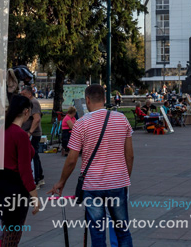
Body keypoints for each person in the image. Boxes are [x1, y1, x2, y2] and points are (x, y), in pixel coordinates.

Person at [49, 85, 134, 247]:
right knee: (122, 231)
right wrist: (125, 177)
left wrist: (61, 182)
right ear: (104, 99)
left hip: (93, 186)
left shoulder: (81, 124)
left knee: (97, 233)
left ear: (87, 100)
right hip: (117, 183)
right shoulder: (121, 119)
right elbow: (129, 155)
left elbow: (72, 159)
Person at [0, 95, 40, 246]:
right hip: (16, 191)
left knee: (6, 235)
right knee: (12, 238)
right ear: (25, 112)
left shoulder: (1, 131)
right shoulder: (20, 135)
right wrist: (35, 196)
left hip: (1, 189)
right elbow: (25, 171)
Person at [20, 86, 44, 187]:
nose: (22, 96)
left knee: (33, 155)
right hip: (31, 133)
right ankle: (40, 177)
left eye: (24, 94)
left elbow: (37, 118)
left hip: (33, 134)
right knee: (34, 155)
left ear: (30, 94)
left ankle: (37, 179)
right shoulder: (30, 102)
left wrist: (30, 132)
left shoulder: (33, 102)